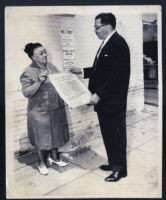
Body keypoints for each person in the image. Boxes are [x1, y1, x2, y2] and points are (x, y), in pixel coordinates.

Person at [70, 13, 130, 182]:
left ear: (107, 27)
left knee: (116, 135)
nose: (94, 30)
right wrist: (82, 71)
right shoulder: (107, 43)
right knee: (108, 134)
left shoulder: (118, 44)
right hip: (106, 102)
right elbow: (103, 69)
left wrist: (99, 94)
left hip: (113, 102)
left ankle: (120, 170)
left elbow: (117, 75)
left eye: (97, 27)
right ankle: (113, 164)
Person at [20, 43, 69, 175]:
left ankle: (54, 157)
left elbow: (60, 83)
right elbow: (26, 92)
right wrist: (38, 81)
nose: (45, 55)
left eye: (45, 52)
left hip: (55, 109)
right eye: (41, 53)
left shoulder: (51, 67)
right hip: (39, 112)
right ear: (33, 57)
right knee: (41, 139)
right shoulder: (28, 71)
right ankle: (41, 162)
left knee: (56, 135)